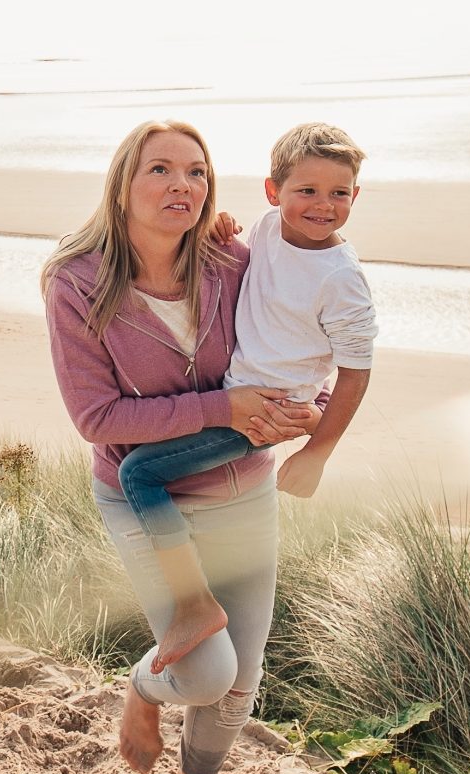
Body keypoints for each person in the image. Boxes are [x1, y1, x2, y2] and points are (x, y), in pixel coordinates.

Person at [42, 120, 320, 774]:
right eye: (161, 169)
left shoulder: (232, 262)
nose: (183, 185)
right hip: (143, 495)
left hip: (244, 489)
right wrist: (222, 409)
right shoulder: (76, 284)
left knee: (241, 681)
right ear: (122, 186)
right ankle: (143, 685)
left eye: (196, 171)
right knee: (202, 676)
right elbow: (97, 419)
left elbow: (300, 340)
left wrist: (317, 410)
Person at [113, 121, 376, 662]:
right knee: (144, 470)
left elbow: (355, 369)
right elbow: (244, 262)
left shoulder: (342, 280)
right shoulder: (266, 227)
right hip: (235, 394)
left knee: (138, 473)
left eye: (339, 193)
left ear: (356, 196)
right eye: (307, 190)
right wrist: (222, 229)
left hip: (263, 418)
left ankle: (194, 605)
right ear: (273, 192)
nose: (322, 205)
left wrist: (318, 449)